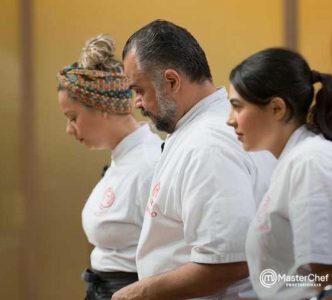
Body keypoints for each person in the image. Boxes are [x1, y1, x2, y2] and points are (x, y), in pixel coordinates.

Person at [112, 20, 276, 300]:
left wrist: (139, 293)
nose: (136, 104)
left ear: (172, 81)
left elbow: (228, 261)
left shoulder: (207, 145)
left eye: (139, 91)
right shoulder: (199, 131)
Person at [227, 47, 332, 299]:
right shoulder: (297, 161)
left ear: (277, 109)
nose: (230, 120)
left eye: (237, 107)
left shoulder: (313, 163)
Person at [56, 34, 162, 300]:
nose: (69, 129)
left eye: (72, 117)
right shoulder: (124, 160)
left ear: (102, 107)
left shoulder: (150, 163)